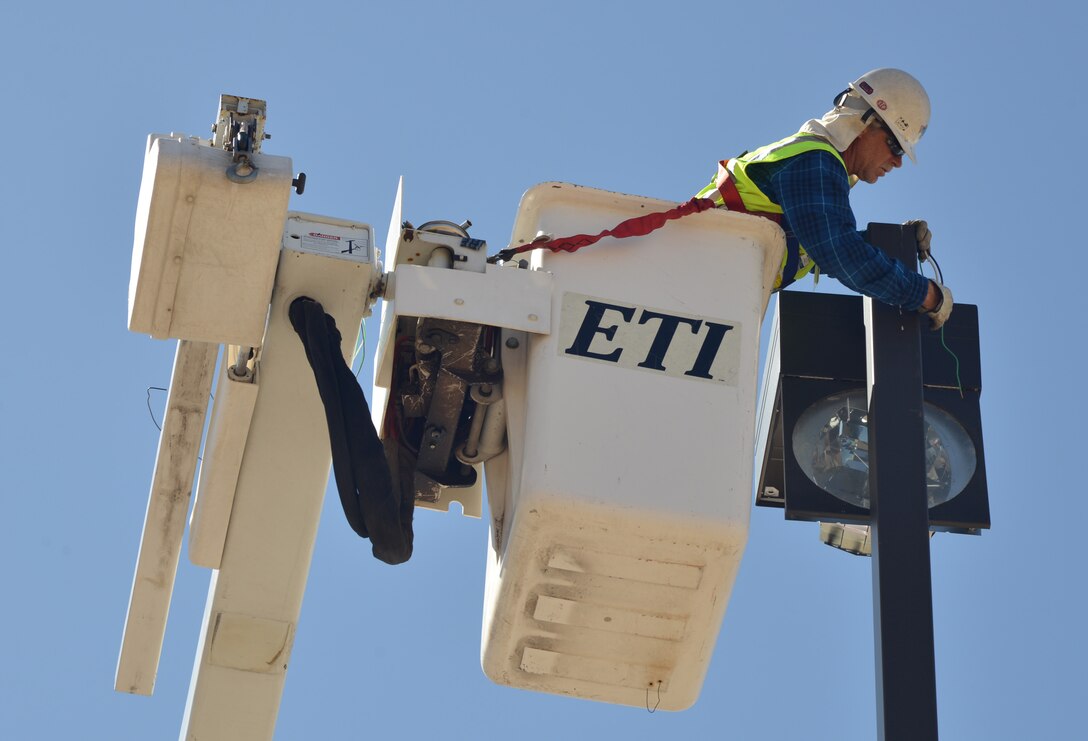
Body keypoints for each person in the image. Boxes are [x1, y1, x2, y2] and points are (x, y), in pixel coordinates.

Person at [695, 68, 952, 329]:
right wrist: (926, 295)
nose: (898, 162)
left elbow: (818, 245)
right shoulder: (815, 161)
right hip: (694, 279)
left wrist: (893, 240)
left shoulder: (813, 165)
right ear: (865, 124)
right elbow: (840, 253)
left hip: (703, 289)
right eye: (895, 145)